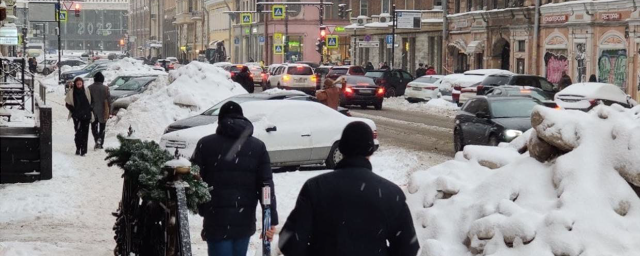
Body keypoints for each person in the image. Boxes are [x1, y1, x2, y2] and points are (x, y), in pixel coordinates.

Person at [279, 121, 420, 256]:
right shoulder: (391, 194)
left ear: (341, 149)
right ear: (370, 150)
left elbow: (289, 241)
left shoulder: (315, 188)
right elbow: (408, 247)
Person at [191, 101, 278, 256]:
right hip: (244, 218)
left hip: (216, 218)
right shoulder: (258, 147)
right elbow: (266, 185)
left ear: (220, 121)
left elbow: (195, 180)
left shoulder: (206, 144)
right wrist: (269, 218)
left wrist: (203, 208)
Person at [65, 77, 93, 156]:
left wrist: (90, 109)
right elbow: (67, 103)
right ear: (75, 84)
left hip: (86, 115)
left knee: (85, 133)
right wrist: (73, 110)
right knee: (78, 132)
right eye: (77, 84)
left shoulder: (86, 91)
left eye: (80, 84)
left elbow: (90, 101)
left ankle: (83, 150)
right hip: (77, 115)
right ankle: (78, 148)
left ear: (82, 84)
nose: (79, 85)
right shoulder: (72, 92)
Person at [87, 72, 110, 149]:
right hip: (103, 111)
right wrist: (109, 111)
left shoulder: (89, 88)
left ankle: (97, 138)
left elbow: (87, 100)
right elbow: (109, 101)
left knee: (94, 127)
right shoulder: (106, 88)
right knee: (102, 127)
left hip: (93, 110)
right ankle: (100, 142)